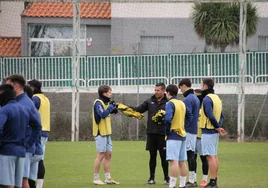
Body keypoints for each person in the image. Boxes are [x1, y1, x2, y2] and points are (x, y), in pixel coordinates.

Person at [5, 74, 42, 188]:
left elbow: (37, 125)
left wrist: (27, 143)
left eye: (7, 86)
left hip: (22, 148)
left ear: (15, 86)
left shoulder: (24, 103)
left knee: (22, 181)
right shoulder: (20, 101)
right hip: (19, 147)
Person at [130, 83, 169, 185]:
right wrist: (123, 107)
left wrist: (164, 119)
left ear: (164, 91)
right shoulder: (150, 101)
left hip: (162, 133)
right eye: (155, 90)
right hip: (151, 133)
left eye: (158, 90)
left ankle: (166, 178)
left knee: (164, 156)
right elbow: (138, 109)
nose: (156, 92)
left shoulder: (168, 102)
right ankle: (151, 178)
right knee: (152, 156)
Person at [0, 84, 28, 188]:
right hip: (21, 151)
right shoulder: (23, 109)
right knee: (18, 184)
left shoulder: (4, 110)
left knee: (7, 184)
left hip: (7, 151)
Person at [200, 78, 226, 188]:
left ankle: (213, 182)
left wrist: (216, 127)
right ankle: (214, 180)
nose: (201, 87)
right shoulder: (217, 98)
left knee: (210, 157)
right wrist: (218, 126)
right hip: (214, 131)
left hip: (208, 130)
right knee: (214, 156)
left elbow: (210, 115)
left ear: (205, 86)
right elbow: (221, 115)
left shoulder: (207, 99)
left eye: (202, 85)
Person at [92, 85, 119, 185]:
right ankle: (96, 178)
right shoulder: (98, 103)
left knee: (108, 155)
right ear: (104, 93)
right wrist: (111, 107)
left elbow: (108, 111)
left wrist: (113, 109)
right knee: (100, 155)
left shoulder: (105, 103)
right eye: (109, 92)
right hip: (100, 133)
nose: (110, 93)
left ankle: (108, 178)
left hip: (107, 133)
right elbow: (102, 114)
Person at [164, 84, 189, 188]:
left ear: (168, 93)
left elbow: (168, 119)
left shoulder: (170, 103)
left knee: (173, 161)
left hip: (173, 134)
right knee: (181, 161)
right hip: (182, 134)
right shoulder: (181, 103)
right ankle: (182, 184)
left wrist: (167, 130)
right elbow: (189, 116)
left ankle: (172, 185)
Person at [28, 80, 50, 188]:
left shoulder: (35, 99)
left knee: (33, 159)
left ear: (32, 87)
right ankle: (39, 185)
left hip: (37, 132)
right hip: (45, 131)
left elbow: (29, 113)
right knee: (40, 158)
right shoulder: (45, 99)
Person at [178, 79, 199, 187]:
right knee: (192, 154)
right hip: (194, 129)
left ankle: (192, 180)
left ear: (184, 86)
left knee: (190, 154)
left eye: (180, 87)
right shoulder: (194, 97)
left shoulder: (188, 99)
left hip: (189, 130)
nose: (180, 90)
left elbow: (187, 116)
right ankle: (193, 178)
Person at [193, 89, 209, 187]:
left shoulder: (204, 109)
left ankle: (204, 179)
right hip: (192, 137)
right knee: (192, 159)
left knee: (204, 159)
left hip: (201, 137)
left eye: (197, 97)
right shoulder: (192, 107)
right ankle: (193, 179)